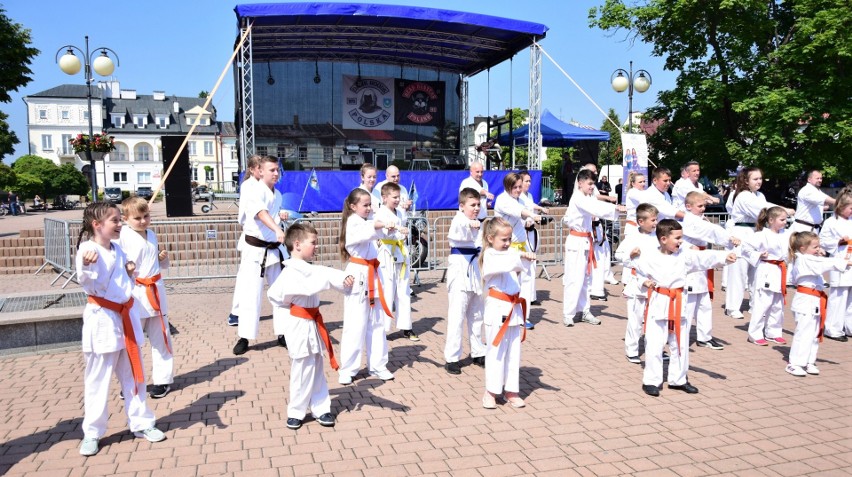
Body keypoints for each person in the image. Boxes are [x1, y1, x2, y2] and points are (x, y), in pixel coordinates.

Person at [75, 202, 166, 456]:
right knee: (98, 380)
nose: (119, 225)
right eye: (114, 220)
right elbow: (84, 277)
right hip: (103, 319)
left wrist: (128, 271)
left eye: (118, 219)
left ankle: (142, 423)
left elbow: (124, 277)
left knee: (135, 376)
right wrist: (86, 263)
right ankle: (92, 432)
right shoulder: (87, 250)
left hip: (127, 316)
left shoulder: (118, 248)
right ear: (97, 225)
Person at [628, 219, 737, 397]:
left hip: (679, 303)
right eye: (677, 238)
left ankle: (678, 379)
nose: (681, 241)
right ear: (663, 239)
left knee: (680, 344)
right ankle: (651, 380)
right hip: (659, 302)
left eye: (681, 238)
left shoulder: (685, 255)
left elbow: (703, 258)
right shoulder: (648, 256)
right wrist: (642, 279)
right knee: (655, 345)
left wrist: (723, 257)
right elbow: (635, 270)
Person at [267, 223, 354, 429]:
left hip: (313, 323)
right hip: (298, 323)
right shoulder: (290, 272)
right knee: (302, 368)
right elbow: (276, 296)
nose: (316, 247)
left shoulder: (311, 270)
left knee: (316, 366)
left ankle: (321, 408)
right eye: (313, 243)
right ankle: (296, 411)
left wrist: (343, 279)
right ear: (297, 244)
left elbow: (324, 275)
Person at [337, 188, 395, 385]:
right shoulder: (353, 222)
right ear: (353, 207)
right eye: (365, 205)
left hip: (373, 273)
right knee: (355, 324)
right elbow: (369, 229)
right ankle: (348, 368)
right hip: (358, 274)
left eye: (371, 204)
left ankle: (378, 364)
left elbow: (373, 227)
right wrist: (383, 223)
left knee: (377, 323)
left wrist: (390, 226)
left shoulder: (364, 221)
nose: (369, 208)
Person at [232, 155, 289, 355]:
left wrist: (281, 219)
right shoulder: (252, 189)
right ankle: (245, 336)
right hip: (255, 250)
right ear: (260, 171)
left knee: (280, 293)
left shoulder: (278, 194)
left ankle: (282, 332)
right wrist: (277, 229)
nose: (275, 173)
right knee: (251, 295)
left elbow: (272, 214)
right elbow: (260, 214)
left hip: (274, 250)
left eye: (277, 170)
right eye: (271, 170)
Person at [118, 197, 174, 399]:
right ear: (125, 219)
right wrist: (126, 268)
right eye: (137, 218)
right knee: (132, 340)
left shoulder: (151, 234)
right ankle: (131, 381)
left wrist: (162, 257)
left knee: (161, 336)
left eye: (146, 216)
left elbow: (158, 265)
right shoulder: (122, 236)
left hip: (156, 291)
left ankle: (163, 380)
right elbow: (116, 262)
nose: (142, 221)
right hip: (136, 293)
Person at [480, 217, 536, 409]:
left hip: (513, 308)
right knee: (496, 352)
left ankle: (511, 390)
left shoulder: (512, 253)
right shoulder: (489, 255)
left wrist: (526, 258)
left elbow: (519, 269)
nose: (507, 243)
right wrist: (519, 257)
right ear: (490, 238)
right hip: (497, 308)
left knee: (513, 352)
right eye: (503, 239)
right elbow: (505, 264)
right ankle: (491, 392)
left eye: (509, 239)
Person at [724, 167, 794, 319]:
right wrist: (784, 210)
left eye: (760, 178)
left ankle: (754, 304)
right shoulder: (743, 196)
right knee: (739, 271)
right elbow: (762, 210)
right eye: (755, 179)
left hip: (755, 233)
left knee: (756, 272)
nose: (759, 181)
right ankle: (732, 307)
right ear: (745, 181)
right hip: (741, 233)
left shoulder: (760, 195)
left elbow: (764, 207)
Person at [562, 169, 626, 327]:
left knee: (586, 279)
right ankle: (568, 313)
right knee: (574, 279)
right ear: (580, 183)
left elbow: (595, 204)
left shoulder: (587, 197)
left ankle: (584, 310)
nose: (592, 187)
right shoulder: (578, 197)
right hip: (576, 241)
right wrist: (615, 209)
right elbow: (594, 208)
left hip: (585, 241)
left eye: (593, 184)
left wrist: (615, 208)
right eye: (589, 184)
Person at [680, 191, 742, 350]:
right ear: (688, 206)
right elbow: (710, 230)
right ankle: (681, 337)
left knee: (704, 303)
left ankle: (705, 337)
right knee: (688, 305)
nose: (702, 209)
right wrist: (728, 237)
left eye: (704, 206)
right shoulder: (688, 220)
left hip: (702, 262)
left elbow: (711, 229)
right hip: (692, 263)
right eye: (699, 206)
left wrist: (728, 238)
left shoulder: (700, 219)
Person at [786, 231, 852, 376]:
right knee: (803, 332)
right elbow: (824, 263)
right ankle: (795, 363)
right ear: (803, 248)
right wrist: (845, 262)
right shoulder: (802, 259)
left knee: (815, 333)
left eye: (818, 246)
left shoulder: (810, 259)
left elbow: (822, 265)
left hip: (815, 300)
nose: (818, 250)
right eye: (815, 247)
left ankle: (809, 360)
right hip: (805, 300)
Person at [444, 188, 486, 375]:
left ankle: (478, 351)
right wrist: (471, 225)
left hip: (474, 268)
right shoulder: (459, 220)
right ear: (462, 206)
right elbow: (460, 229)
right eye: (472, 205)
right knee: (457, 314)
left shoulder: (477, 221)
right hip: (460, 268)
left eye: (478, 204)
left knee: (477, 314)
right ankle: (452, 357)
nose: (476, 208)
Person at [494, 173, 541, 329]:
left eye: (520, 187)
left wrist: (532, 219)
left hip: (522, 245)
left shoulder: (521, 199)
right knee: (509, 283)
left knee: (526, 282)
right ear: (508, 187)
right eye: (515, 187)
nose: (519, 190)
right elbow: (519, 211)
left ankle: (523, 316)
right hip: (507, 248)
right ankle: (506, 314)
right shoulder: (503, 200)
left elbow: (526, 210)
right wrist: (532, 215)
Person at [614, 203, 660, 364]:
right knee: (635, 319)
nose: (655, 223)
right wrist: (630, 254)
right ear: (641, 222)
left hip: (655, 284)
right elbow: (619, 255)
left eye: (656, 220)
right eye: (652, 220)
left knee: (655, 320)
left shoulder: (658, 236)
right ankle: (632, 350)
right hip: (637, 284)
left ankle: (655, 349)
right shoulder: (632, 237)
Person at [375, 182, 417, 341]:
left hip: (400, 253)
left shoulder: (400, 213)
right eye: (394, 197)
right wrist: (388, 227)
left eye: (399, 197)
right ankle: (383, 329)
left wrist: (404, 233)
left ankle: (407, 327)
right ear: (384, 198)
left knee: (404, 291)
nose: (398, 200)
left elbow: (402, 230)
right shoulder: (381, 212)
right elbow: (379, 229)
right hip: (386, 254)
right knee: (387, 291)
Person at [742, 206, 790, 345]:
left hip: (780, 270)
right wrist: (758, 254)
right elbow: (745, 248)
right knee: (763, 303)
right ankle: (755, 334)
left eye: (786, 219)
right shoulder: (761, 235)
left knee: (777, 304)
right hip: (767, 268)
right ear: (771, 220)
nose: (785, 222)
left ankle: (773, 332)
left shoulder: (786, 234)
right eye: (782, 219)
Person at [226, 155, 262, 327]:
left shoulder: (265, 187)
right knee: (246, 278)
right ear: (252, 169)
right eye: (259, 169)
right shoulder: (249, 186)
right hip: (253, 238)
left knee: (249, 278)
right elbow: (245, 214)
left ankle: (238, 311)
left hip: (264, 239)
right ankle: (237, 312)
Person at [818, 191, 852, 341]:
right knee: (839, 295)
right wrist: (838, 241)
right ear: (841, 206)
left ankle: (849, 326)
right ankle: (833, 329)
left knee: (850, 297)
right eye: (850, 208)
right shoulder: (831, 222)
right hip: (839, 260)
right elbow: (823, 241)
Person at [518, 171, 548, 306]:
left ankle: (531, 295)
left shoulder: (529, 195)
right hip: (522, 232)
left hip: (531, 231)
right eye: (526, 181)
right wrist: (539, 208)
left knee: (533, 263)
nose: (529, 184)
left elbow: (532, 210)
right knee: (525, 264)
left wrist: (539, 213)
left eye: (530, 181)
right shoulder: (518, 197)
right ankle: (524, 295)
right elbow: (527, 210)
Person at [623, 172, 647, 237]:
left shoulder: (642, 192)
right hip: (633, 228)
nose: (643, 184)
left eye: (644, 181)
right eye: (640, 182)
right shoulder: (632, 192)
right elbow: (647, 201)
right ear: (633, 183)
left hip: (639, 227)